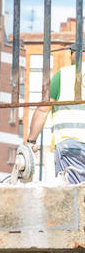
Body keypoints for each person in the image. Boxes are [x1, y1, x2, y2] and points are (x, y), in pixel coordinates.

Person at [25, 54, 85, 183]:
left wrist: (31, 141)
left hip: (71, 143)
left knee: (73, 193)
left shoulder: (63, 75)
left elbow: (43, 109)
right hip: (71, 144)